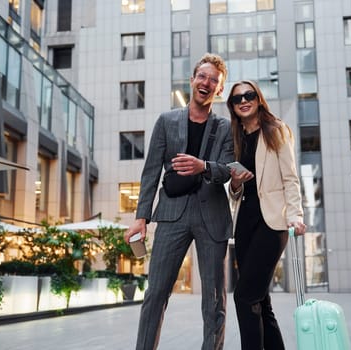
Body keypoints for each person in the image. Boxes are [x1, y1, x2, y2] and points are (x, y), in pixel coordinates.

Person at [124, 53, 234, 350]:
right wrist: (141, 218)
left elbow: (227, 169)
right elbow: (150, 172)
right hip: (172, 214)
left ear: (219, 90)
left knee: (214, 300)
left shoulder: (225, 128)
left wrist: (203, 167)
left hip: (212, 216)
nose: (207, 83)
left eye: (214, 80)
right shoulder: (166, 120)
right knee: (156, 292)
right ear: (192, 81)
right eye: (203, 76)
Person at [226, 80, 307, 350]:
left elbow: (291, 179)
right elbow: (235, 190)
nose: (243, 101)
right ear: (233, 107)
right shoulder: (235, 137)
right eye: (237, 99)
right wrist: (236, 183)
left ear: (259, 99)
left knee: (244, 296)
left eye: (249, 95)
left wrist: (296, 215)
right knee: (260, 300)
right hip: (245, 222)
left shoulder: (276, 130)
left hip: (273, 222)